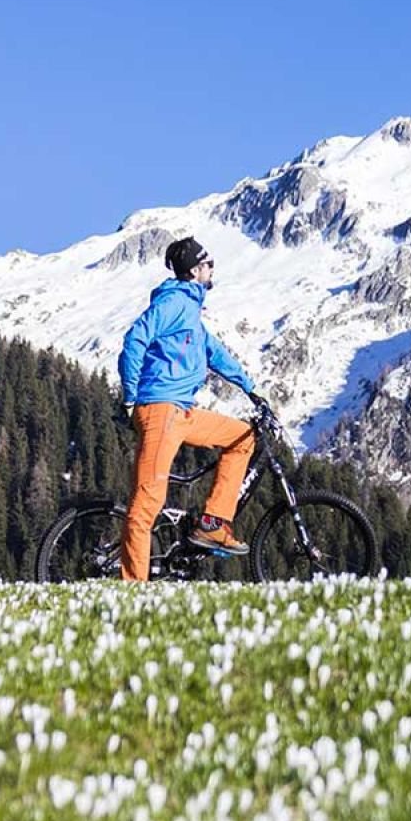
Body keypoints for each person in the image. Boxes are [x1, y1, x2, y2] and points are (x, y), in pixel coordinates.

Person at [118, 235, 261, 579]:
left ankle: (212, 525)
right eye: (209, 264)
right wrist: (130, 396)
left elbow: (214, 353)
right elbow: (135, 339)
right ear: (196, 270)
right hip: (161, 408)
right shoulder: (174, 304)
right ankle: (131, 589)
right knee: (146, 504)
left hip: (181, 411)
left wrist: (252, 390)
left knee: (243, 437)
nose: (213, 269)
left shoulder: (191, 310)